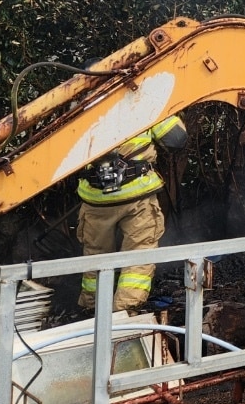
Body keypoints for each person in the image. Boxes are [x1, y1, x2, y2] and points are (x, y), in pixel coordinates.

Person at [76, 114, 187, 312]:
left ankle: (91, 310)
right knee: (139, 253)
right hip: (136, 195)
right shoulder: (146, 103)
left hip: (95, 198)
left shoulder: (83, 104)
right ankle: (124, 313)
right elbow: (176, 138)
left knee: (96, 255)